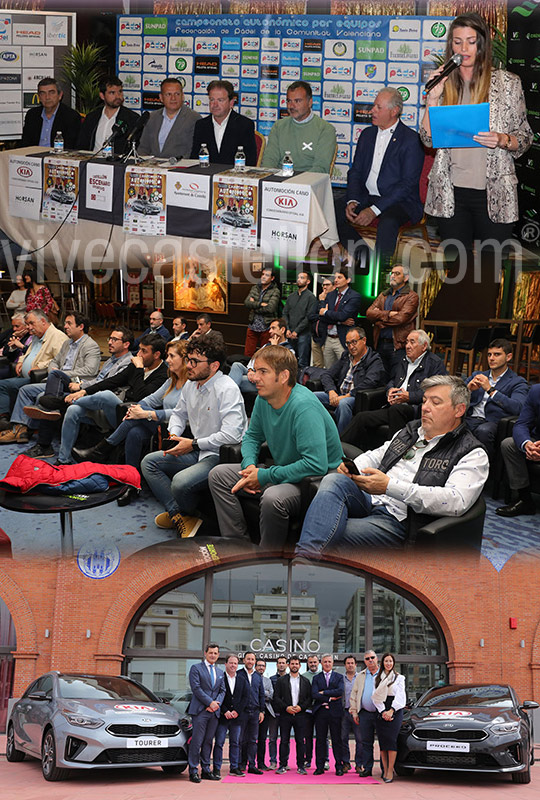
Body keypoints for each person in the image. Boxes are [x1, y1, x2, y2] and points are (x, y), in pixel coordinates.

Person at [295, 375, 489, 556]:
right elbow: (377, 455)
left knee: (326, 528)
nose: (425, 408)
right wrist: (353, 466)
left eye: (435, 402)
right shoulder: (411, 431)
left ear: (459, 410)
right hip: (371, 498)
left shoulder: (471, 452)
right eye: (424, 401)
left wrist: (389, 487)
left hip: (400, 519)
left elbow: (455, 502)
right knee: (334, 480)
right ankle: (304, 564)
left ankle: (302, 565)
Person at [208, 346, 343, 549]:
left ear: (283, 376)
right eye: (255, 371)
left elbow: (316, 465)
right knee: (218, 475)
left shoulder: (304, 407)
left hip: (314, 480)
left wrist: (264, 476)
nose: (254, 378)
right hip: (284, 470)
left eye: (263, 372)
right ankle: (236, 545)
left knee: (273, 497)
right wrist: (250, 466)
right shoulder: (264, 398)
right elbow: (252, 437)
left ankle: (267, 559)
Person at [419, 12, 533, 252]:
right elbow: (428, 140)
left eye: (471, 41)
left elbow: (524, 139)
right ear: (451, 45)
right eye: (458, 41)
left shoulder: (507, 83)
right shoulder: (444, 83)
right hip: (451, 195)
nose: (464, 48)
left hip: (495, 194)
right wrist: (433, 99)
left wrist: (502, 139)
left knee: (488, 273)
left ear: (482, 44)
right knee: (456, 271)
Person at [141, 331, 247, 538]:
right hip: (195, 449)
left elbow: (233, 435)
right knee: (149, 463)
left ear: (214, 366)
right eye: (188, 359)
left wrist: (194, 444)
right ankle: (180, 516)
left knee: (180, 482)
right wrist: (174, 435)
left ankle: (183, 516)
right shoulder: (191, 385)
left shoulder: (227, 389)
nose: (188, 365)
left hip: (219, 456)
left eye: (195, 361)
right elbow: (179, 414)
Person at [74, 340, 189, 505]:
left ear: (184, 360)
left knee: (137, 419)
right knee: (134, 431)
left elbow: (182, 414)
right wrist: (137, 409)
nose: (167, 360)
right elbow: (150, 398)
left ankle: (103, 448)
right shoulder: (171, 380)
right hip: (159, 425)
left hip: (178, 430)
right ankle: (131, 484)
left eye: (171, 356)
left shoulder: (191, 384)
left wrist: (147, 413)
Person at [338, 88, 424, 269]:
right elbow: (355, 172)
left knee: (388, 223)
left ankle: (380, 275)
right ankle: (367, 261)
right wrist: (352, 200)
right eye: (373, 106)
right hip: (367, 196)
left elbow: (407, 185)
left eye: (378, 107)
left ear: (394, 111)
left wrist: (374, 210)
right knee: (333, 210)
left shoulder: (410, 140)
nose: (372, 111)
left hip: (400, 202)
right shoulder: (367, 135)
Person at [58, 333, 167, 466]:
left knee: (106, 395)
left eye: (144, 351)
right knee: (74, 410)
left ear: (156, 355)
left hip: (134, 416)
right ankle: (63, 459)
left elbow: (141, 397)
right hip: (118, 411)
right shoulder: (138, 363)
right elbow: (113, 381)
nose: (138, 354)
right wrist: (84, 391)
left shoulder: (163, 374)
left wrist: (139, 369)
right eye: (139, 349)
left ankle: (61, 401)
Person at [2, 313, 101, 450]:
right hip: (55, 380)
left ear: (81, 327)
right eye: (65, 323)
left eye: (69, 323)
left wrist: (60, 373)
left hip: (72, 383)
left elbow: (90, 371)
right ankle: (20, 429)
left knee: (41, 397)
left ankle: (43, 427)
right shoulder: (67, 343)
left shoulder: (91, 345)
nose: (65, 326)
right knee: (25, 390)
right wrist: (53, 370)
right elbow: (54, 361)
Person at [340, 330, 447, 447]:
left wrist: (409, 397)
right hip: (393, 406)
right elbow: (392, 380)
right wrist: (390, 391)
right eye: (406, 342)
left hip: (415, 410)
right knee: (361, 417)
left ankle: (393, 451)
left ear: (424, 346)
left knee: (396, 409)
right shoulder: (403, 360)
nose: (407, 346)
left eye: (412, 342)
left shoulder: (434, 363)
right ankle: (338, 449)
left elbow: (437, 392)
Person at [0, 310, 67, 442]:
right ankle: (4, 419)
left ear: (43, 321)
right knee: (2, 384)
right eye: (27, 324)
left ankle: (19, 429)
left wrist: (41, 366)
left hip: (41, 378)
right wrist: (20, 362)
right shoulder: (37, 335)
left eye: (31, 323)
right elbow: (27, 353)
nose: (29, 327)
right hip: (25, 376)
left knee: (14, 387)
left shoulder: (58, 337)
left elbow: (60, 361)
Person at [313, 327, 386, 433]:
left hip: (356, 398)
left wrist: (346, 396)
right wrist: (331, 391)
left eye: (354, 342)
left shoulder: (374, 360)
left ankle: (341, 442)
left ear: (364, 340)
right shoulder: (346, 356)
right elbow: (327, 375)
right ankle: (318, 433)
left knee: (343, 404)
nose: (351, 347)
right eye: (348, 343)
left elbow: (370, 383)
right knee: (312, 397)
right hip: (338, 394)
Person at [464, 339, 528, 457]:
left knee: (483, 431)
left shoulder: (517, 382)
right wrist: (467, 389)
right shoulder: (477, 375)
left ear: (508, 357)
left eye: (497, 354)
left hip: (492, 421)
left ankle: (487, 468)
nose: (491, 358)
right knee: (449, 422)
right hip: (471, 417)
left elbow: (518, 407)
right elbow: (454, 397)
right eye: (489, 355)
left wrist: (491, 390)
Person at [261, 81, 337, 173]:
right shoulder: (279, 126)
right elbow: (269, 161)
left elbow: (320, 168)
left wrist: (296, 184)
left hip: (308, 184)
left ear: (310, 102)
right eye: (289, 101)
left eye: (297, 101)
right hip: (279, 182)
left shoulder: (325, 129)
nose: (291, 106)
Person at [365, 264, 419, 379]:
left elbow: (400, 319)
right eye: (392, 273)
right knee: (379, 379)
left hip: (398, 346)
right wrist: (388, 314)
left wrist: (379, 322)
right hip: (379, 343)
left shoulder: (411, 296)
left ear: (406, 278)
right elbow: (369, 313)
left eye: (397, 274)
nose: (392, 276)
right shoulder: (384, 295)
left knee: (396, 379)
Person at [496, 384, 540, 517]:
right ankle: (524, 500)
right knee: (509, 444)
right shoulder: (536, 391)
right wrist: (527, 444)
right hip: (537, 443)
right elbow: (522, 423)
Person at [190, 80, 257, 165]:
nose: (215, 104)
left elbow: (250, 162)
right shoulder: (201, 125)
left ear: (231, 102)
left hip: (234, 176)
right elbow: (194, 159)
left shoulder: (244, 125)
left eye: (220, 100)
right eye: (212, 100)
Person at [187, 643, 225, 783]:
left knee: (208, 742)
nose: (213, 655)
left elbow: (222, 691)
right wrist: (210, 703)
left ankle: (206, 770)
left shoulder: (220, 672)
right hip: (200, 711)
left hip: (214, 712)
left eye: (215, 653)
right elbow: (196, 688)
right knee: (197, 741)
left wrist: (215, 705)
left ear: (218, 655)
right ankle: (193, 771)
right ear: (205, 653)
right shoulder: (196, 668)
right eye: (211, 653)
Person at [138, 77, 201, 159]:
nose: (173, 98)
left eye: (177, 94)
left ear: (183, 96)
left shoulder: (194, 119)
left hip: (178, 168)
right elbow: (143, 148)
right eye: (168, 94)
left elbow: (192, 152)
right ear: (161, 97)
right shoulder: (152, 117)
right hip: (151, 167)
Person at [229, 318, 294, 395]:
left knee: (236, 381)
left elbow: (276, 368)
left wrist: (274, 348)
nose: (270, 331)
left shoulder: (289, 350)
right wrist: (250, 370)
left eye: (273, 328)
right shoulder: (266, 345)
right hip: (256, 374)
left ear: (282, 330)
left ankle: (228, 397)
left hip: (268, 381)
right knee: (236, 365)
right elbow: (253, 359)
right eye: (270, 329)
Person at [77, 75, 139, 156]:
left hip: (116, 164)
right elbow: (81, 146)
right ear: (102, 96)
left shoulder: (132, 118)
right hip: (92, 162)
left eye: (120, 91)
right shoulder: (92, 117)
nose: (118, 96)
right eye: (112, 93)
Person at [315, 267, 362, 368]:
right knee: (328, 370)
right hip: (328, 339)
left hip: (343, 339)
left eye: (339, 277)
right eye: (335, 278)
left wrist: (327, 312)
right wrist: (340, 321)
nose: (336, 280)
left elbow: (343, 315)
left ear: (348, 280)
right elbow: (321, 316)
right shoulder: (330, 295)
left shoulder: (354, 296)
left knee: (344, 370)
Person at [213, 653, 249, 778]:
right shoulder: (219, 678)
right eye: (231, 663)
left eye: (235, 663)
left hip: (236, 718)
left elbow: (245, 698)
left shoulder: (242, 680)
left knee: (235, 743)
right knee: (219, 743)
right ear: (225, 664)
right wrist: (225, 711)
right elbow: (216, 696)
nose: (233, 665)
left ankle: (234, 767)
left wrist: (237, 711)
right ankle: (216, 768)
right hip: (223, 717)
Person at [273, 655, 311, 775]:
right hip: (286, 715)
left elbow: (309, 698)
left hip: (300, 715)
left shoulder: (305, 681)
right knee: (284, 741)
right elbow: (276, 698)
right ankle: (282, 765)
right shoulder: (281, 680)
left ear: (300, 666)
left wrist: (301, 707)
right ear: (289, 665)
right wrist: (286, 707)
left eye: (296, 664)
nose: (294, 666)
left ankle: (301, 766)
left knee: (300, 741)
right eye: (292, 663)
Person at [372, 653, 406, 783]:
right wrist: (383, 712)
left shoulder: (399, 678)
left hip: (395, 710)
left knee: (391, 741)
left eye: (390, 661)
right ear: (382, 663)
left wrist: (391, 710)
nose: (388, 663)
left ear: (393, 663)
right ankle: (384, 769)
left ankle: (390, 770)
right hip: (381, 710)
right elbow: (375, 697)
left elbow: (400, 697)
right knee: (383, 742)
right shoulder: (378, 678)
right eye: (386, 661)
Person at [21, 77, 81, 149]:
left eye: (51, 93)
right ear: (39, 97)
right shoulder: (32, 115)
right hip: (34, 157)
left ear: (60, 95)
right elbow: (25, 144)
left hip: (58, 157)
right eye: (43, 93)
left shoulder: (71, 116)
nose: (47, 97)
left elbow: (71, 147)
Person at [349, 650, 380, 778]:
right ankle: (367, 768)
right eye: (367, 659)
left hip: (380, 714)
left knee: (383, 742)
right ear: (365, 661)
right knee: (366, 743)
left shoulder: (384, 674)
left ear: (377, 659)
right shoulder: (361, 676)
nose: (370, 660)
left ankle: (385, 769)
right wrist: (354, 712)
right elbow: (354, 695)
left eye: (372, 657)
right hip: (365, 714)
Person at [311, 653, 344, 775]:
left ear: (332, 663)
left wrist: (324, 692)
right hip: (320, 713)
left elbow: (340, 691)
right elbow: (314, 694)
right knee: (320, 740)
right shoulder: (316, 678)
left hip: (335, 713)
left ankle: (339, 766)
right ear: (321, 663)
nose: (327, 664)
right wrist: (329, 698)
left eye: (329, 662)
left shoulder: (339, 677)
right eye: (325, 662)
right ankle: (319, 767)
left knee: (337, 739)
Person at [283, 271, 318, 372]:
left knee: (302, 363)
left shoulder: (311, 297)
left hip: (304, 334)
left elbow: (309, 317)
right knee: (288, 361)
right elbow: (285, 313)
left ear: (308, 282)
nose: (299, 280)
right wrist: (288, 329)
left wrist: (296, 331)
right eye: (298, 278)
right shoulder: (291, 296)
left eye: (302, 278)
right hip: (289, 333)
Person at [243, 267, 282, 358]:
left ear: (272, 278)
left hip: (266, 326)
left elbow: (271, 308)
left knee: (265, 354)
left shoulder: (275, 291)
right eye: (263, 274)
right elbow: (247, 303)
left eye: (267, 275)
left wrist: (254, 305)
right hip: (253, 325)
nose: (263, 277)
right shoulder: (255, 288)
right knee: (248, 353)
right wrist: (261, 304)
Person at [237, 651, 265, 775]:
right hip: (241, 712)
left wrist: (262, 711)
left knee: (253, 740)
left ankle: (252, 765)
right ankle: (241, 764)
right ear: (244, 660)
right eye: (248, 659)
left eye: (252, 659)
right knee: (241, 739)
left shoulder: (258, 676)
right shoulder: (238, 675)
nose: (250, 661)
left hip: (255, 712)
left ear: (254, 661)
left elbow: (261, 695)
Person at [341, 655, 363, 773]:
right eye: (348, 663)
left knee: (359, 739)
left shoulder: (360, 678)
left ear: (355, 665)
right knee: (343, 738)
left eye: (352, 663)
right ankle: (346, 763)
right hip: (344, 712)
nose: (350, 665)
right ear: (345, 665)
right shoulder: (341, 678)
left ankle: (359, 764)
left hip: (357, 712)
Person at [255, 659, 275, 771]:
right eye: (259, 666)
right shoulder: (250, 678)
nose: (261, 668)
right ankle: (247, 762)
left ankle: (261, 763)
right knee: (250, 739)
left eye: (263, 666)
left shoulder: (268, 680)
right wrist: (263, 692)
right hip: (252, 711)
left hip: (265, 712)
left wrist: (259, 692)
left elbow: (271, 694)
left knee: (262, 739)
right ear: (255, 666)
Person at [0, 313, 31, 384]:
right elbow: (6, 352)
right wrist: (13, 336)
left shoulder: (31, 335)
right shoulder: (13, 332)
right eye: (13, 326)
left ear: (26, 326)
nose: (14, 329)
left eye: (17, 326)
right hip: (10, 364)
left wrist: (20, 345)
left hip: (20, 366)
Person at [310, 276, 334, 368]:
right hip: (315, 336)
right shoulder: (318, 299)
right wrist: (320, 315)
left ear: (334, 286)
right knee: (317, 365)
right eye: (323, 285)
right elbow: (311, 316)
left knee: (328, 366)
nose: (324, 287)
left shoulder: (334, 301)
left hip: (326, 337)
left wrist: (323, 301)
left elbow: (328, 318)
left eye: (327, 285)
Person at [303, 654, 321, 769]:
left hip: (320, 709)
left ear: (318, 663)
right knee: (307, 736)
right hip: (307, 711)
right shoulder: (303, 676)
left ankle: (324, 760)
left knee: (322, 737)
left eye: (315, 662)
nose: (313, 664)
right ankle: (307, 760)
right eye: (310, 662)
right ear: (308, 664)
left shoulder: (322, 675)